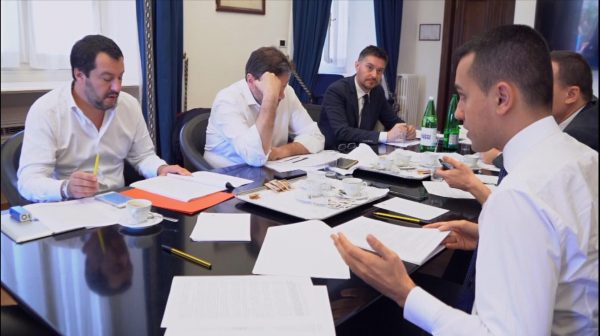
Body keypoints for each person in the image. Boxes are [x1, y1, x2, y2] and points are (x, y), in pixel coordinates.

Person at [332, 25, 598, 335]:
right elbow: (566, 247)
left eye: (463, 96)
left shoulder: (520, 195)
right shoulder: (582, 157)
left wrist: (403, 291)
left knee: (365, 315)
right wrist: (488, 234)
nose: (458, 114)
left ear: (502, 97)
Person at [17, 35, 189, 203]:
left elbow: (143, 156)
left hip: (119, 205)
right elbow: (29, 182)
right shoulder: (47, 111)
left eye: (120, 77)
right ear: (79, 75)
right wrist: (66, 188)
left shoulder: (129, 105)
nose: (117, 87)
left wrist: (161, 168)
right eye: (107, 78)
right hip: (69, 208)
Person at [204, 47, 324, 168]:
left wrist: (280, 152)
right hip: (229, 173)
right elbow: (255, 157)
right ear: (251, 80)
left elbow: (316, 137)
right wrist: (270, 98)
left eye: (283, 86)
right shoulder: (227, 100)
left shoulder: (287, 92)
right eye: (274, 87)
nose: (282, 95)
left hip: (269, 169)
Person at [318, 45, 416, 150]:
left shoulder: (377, 91)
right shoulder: (336, 91)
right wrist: (386, 136)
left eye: (379, 71)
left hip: (363, 152)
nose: (374, 75)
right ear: (357, 65)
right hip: (334, 151)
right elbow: (342, 132)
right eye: (369, 67)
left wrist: (407, 129)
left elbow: (391, 120)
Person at [551, 50, 598, 151]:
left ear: (571, 95)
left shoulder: (578, 138)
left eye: (542, 85)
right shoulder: (589, 104)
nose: (533, 93)